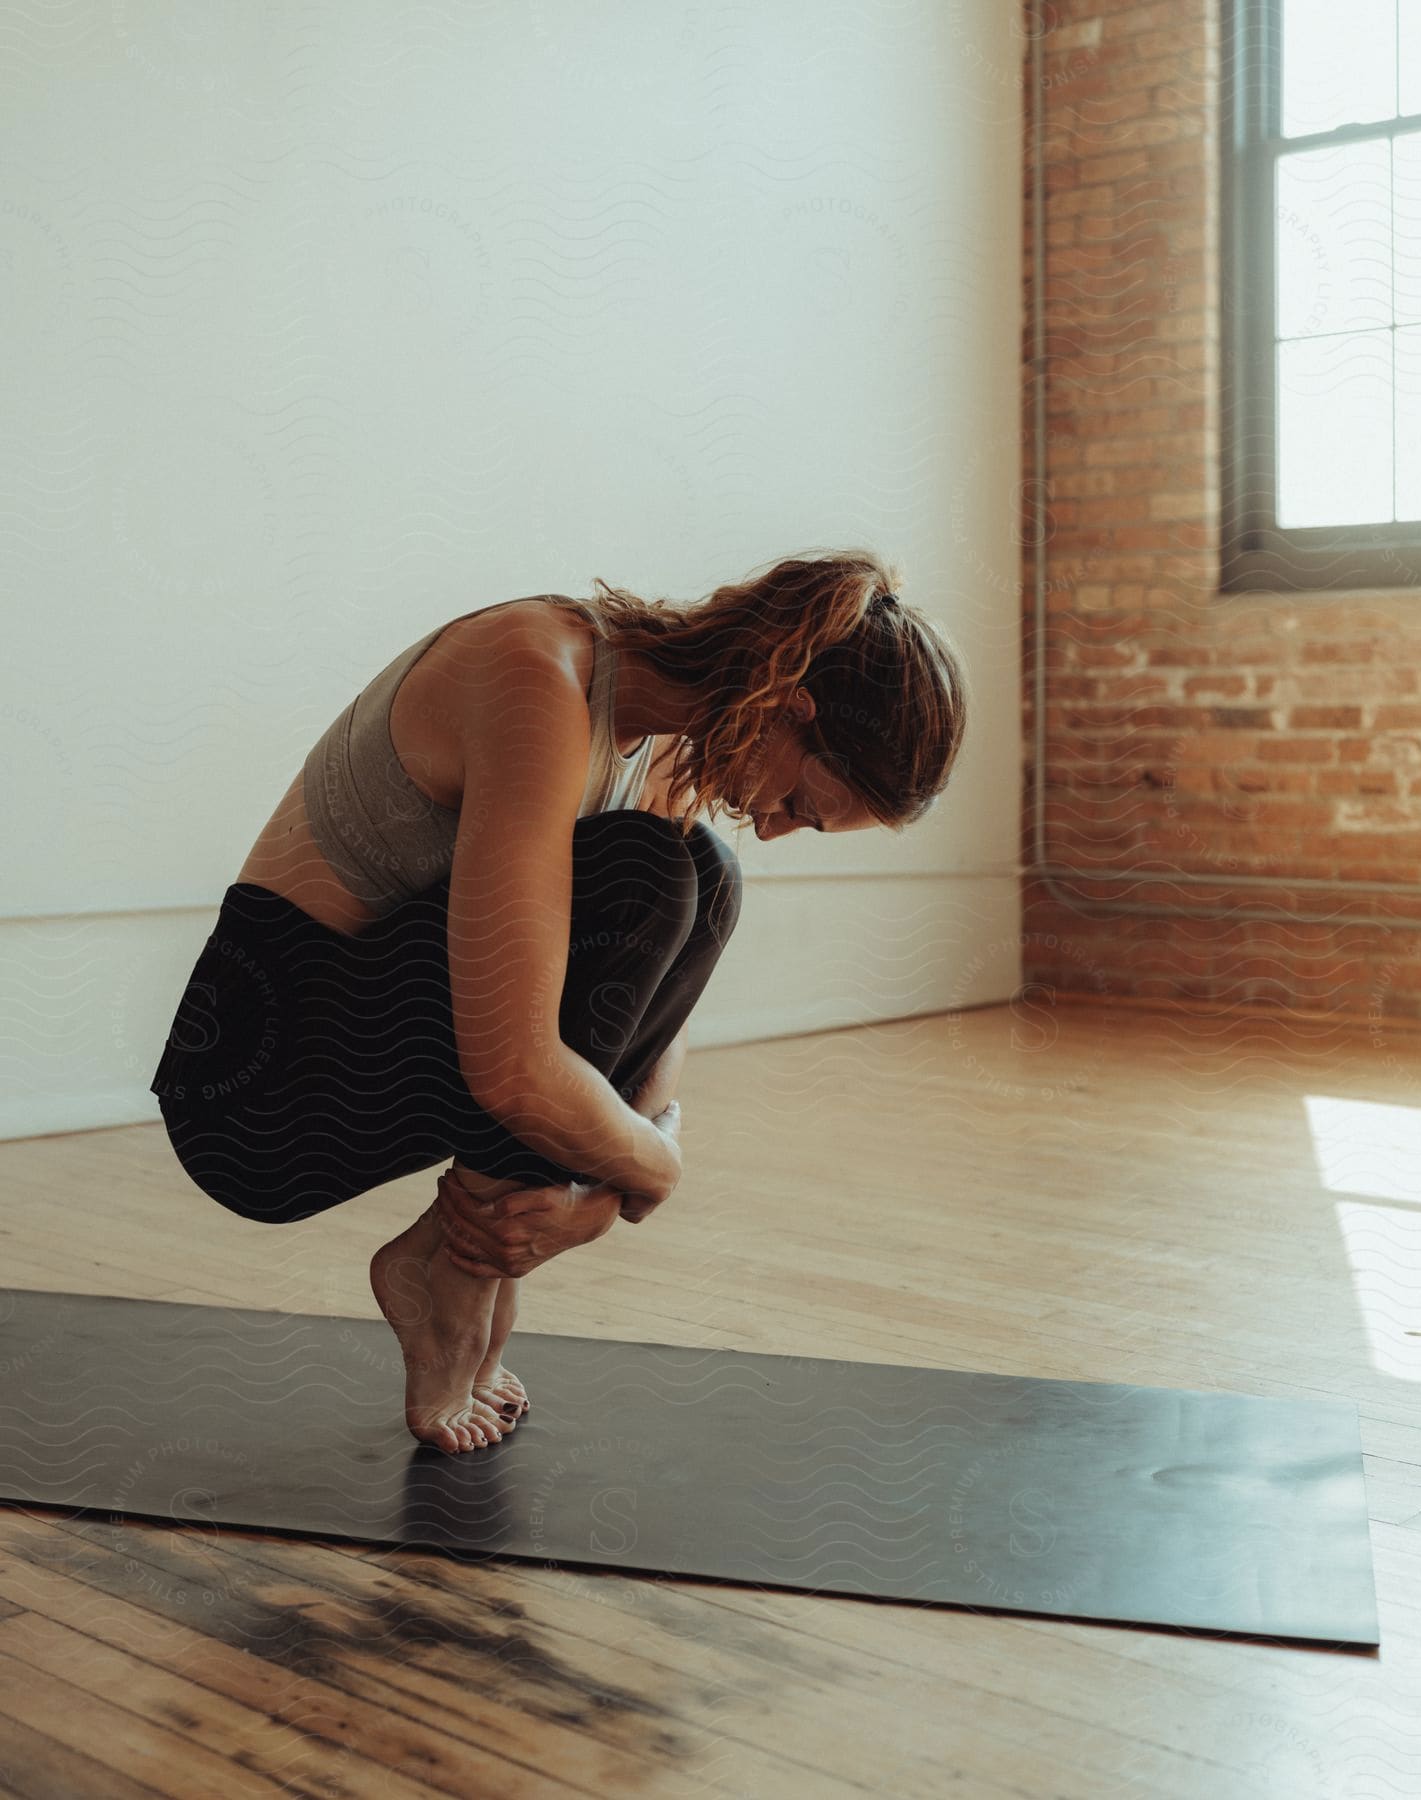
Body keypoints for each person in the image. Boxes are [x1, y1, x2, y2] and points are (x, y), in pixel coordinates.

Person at [148, 548, 968, 1454]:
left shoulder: (659, 746)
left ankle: (451, 1260)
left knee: (707, 875)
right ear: (789, 705)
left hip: (358, 1061)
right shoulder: (535, 675)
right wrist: (652, 1175)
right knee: (650, 874)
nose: (775, 826)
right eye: (803, 805)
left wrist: (605, 1180)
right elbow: (513, 1070)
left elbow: (660, 1014)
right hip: (251, 1097)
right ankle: (457, 1281)